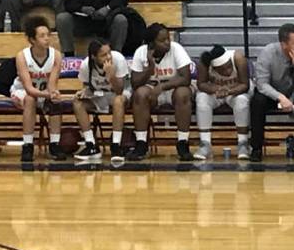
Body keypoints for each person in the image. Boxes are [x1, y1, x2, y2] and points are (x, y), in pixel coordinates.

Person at [249, 23, 294, 163]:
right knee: (258, 100)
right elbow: (262, 84)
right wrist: (280, 97)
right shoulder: (268, 53)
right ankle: (256, 148)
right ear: (284, 44)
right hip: (272, 93)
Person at [129, 23, 193, 161]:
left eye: (168, 39)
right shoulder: (141, 52)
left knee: (183, 93)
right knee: (140, 94)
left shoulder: (176, 49)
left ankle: (183, 143)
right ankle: (141, 144)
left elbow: (186, 78)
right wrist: (149, 68)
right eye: (162, 40)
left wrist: (163, 87)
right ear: (152, 43)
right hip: (151, 90)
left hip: (173, 88)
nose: (167, 43)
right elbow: (135, 83)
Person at [10, 17, 65, 162]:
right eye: (42, 36)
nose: (47, 39)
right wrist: (47, 94)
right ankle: (27, 145)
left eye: (48, 35)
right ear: (32, 40)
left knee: (55, 102)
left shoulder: (56, 56)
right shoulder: (22, 56)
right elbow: (28, 88)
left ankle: (54, 144)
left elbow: (52, 84)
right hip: (22, 92)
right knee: (30, 99)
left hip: (43, 91)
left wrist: (53, 94)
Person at [72, 38, 132, 162]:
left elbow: (119, 90)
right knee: (77, 103)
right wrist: (84, 93)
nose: (108, 57)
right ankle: (91, 145)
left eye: (109, 52)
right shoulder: (85, 65)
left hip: (120, 93)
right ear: (94, 57)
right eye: (103, 55)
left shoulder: (118, 59)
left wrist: (111, 76)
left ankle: (116, 145)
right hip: (100, 95)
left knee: (118, 101)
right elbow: (87, 87)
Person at [194, 45, 251, 161]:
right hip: (216, 92)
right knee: (201, 99)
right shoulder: (204, 63)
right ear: (214, 68)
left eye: (229, 67)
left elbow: (245, 85)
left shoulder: (238, 58)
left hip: (236, 91)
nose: (228, 71)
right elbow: (201, 84)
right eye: (222, 70)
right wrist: (216, 90)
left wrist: (229, 91)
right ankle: (205, 143)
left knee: (242, 101)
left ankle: (243, 143)